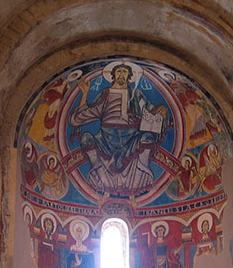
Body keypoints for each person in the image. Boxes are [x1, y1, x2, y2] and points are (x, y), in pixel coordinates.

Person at [68, 63, 167, 195]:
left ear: (129, 76)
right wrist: (85, 93)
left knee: (147, 138)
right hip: (105, 139)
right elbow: (80, 117)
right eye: (118, 71)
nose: (121, 74)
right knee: (87, 138)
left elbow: (150, 112)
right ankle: (97, 172)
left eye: (124, 72)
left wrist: (161, 111)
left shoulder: (136, 94)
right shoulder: (105, 94)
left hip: (131, 138)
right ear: (113, 75)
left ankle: (142, 170)